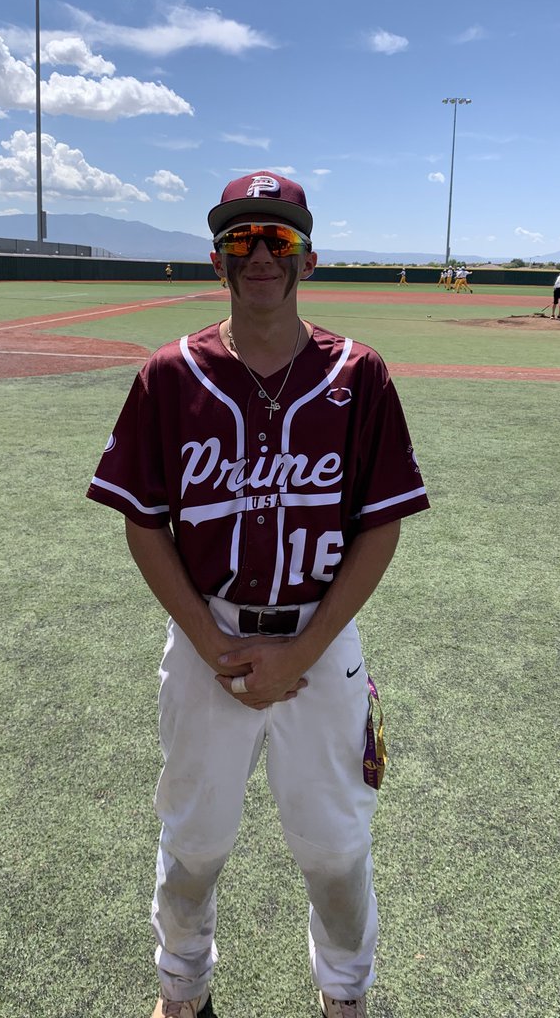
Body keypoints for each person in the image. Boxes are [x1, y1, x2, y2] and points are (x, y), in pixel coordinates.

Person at [87, 171, 430, 1018]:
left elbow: (379, 528)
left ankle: (345, 996)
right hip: (211, 643)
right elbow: (143, 522)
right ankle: (183, 987)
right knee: (194, 846)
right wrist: (215, 648)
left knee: (336, 852)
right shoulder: (171, 373)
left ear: (308, 254)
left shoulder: (361, 373)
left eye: (278, 237)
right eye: (243, 238)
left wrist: (299, 655)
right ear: (217, 257)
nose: (261, 254)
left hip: (321, 648)